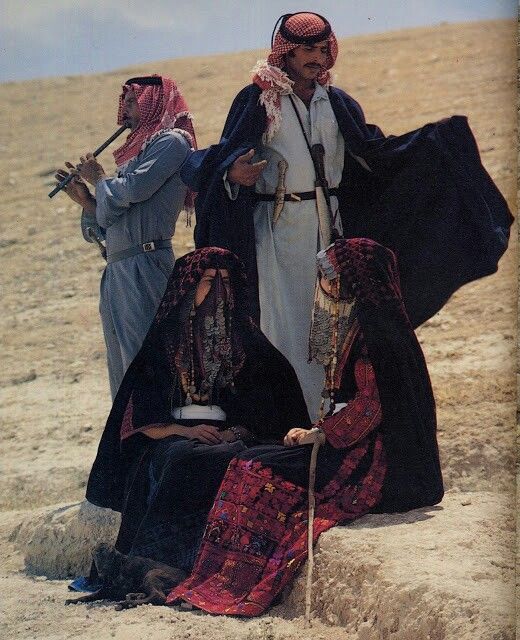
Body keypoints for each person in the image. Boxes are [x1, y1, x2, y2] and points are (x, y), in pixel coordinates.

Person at [179, 11, 512, 419]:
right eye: (306, 50)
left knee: (335, 329)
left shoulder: (336, 102)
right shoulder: (258, 100)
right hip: (279, 232)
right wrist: (233, 171)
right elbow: (220, 156)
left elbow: (375, 153)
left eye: (323, 49)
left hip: (332, 230)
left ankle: (329, 424)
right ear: (285, 53)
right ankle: (288, 422)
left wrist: (440, 143)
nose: (317, 58)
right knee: (287, 326)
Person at [166, 237, 443, 615]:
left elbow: (373, 404)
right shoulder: (363, 326)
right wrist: (319, 429)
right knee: (252, 458)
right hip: (351, 442)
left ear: (351, 281)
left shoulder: (378, 334)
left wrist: (323, 433)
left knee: (256, 470)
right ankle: (218, 579)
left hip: (374, 462)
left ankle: (235, 584)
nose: (324, 284)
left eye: (330, 276)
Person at [84, 247, 311, 574]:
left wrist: (234, 433)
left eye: (225, 280)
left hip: (235, 440)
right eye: (208, 280)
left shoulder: (247, 344)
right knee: (180, 458)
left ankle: (169, 564)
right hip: (172, 439)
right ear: (189, 287)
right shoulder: (165, 343)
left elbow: (274, 408)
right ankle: (151, 561)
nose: (218, 288)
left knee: (218, 460)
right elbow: (141, 417)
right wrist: (185, 431)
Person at [55, 74, 196, 399]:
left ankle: (159, 437)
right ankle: (131, 442)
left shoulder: (172, 142)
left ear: (153, 102)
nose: (125, 111)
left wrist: (101, 178)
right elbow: (110, 223)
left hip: (145, 266)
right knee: (121, 366)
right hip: (118, 270)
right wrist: (87, 201)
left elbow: (134, 190)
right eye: (125, 103)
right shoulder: (136, 154)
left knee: (146, 361)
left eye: (133, 102)